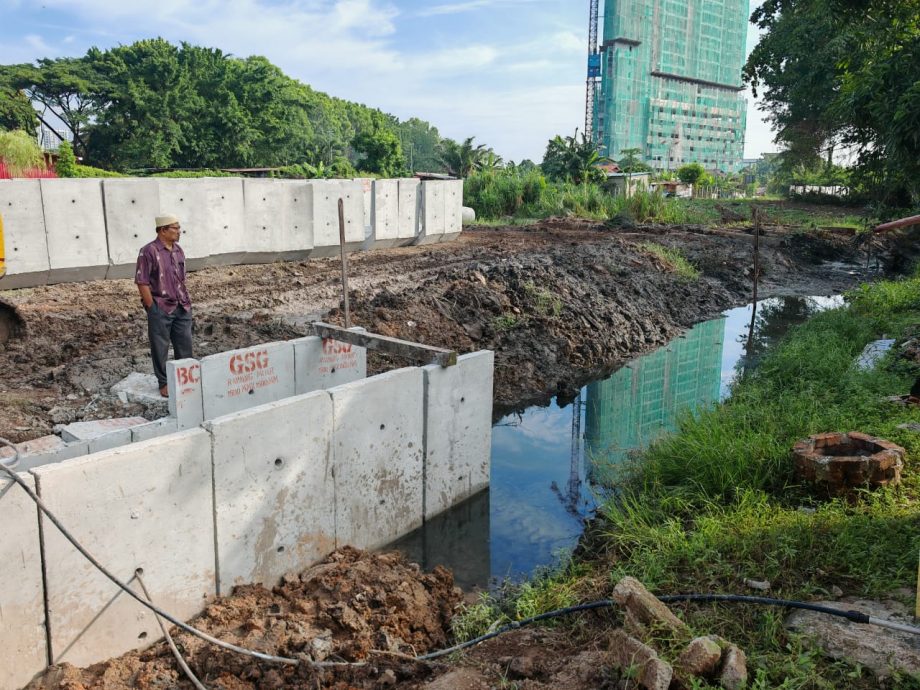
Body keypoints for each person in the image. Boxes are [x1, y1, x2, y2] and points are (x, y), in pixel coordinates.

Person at [135, 214, 193, 397]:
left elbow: (181, 278)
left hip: (182, 306)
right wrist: (152, 307)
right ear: (163, 230)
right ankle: (164, 383)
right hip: (160, 306)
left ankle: (185, 380)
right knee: (160, 347)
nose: (179, 231)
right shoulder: (149, 251)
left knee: (185, 344)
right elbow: (141, 281)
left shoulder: (178, 250)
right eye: (175, 228)